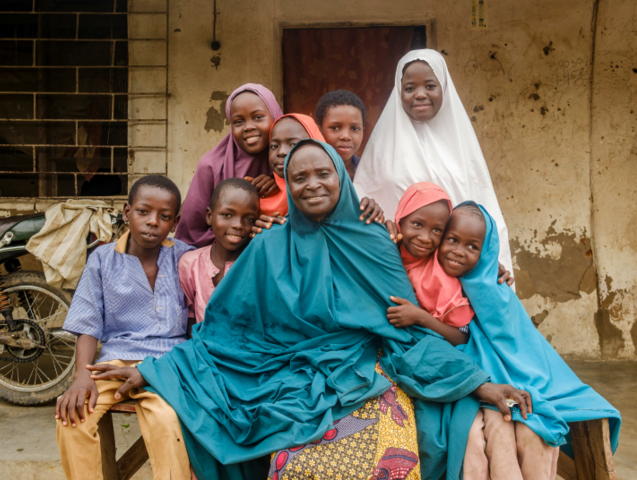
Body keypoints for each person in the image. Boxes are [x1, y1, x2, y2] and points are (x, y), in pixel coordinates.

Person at [88, 139, 532, 480]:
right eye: (299, 178)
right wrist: (152, 371)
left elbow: (405, 330)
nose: (312, 184)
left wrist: (479, 384)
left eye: (323, 173)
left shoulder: (373, 241)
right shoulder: (266, 248)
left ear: (341, 177)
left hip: (360, 372)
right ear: (288, 186)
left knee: (379, 451)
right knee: (290, 456)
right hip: (282, 375)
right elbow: (223, 333)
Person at [398, 199, 622, 479]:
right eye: (452, 240)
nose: (457, 252)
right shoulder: (433, 276)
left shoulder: (495, 287)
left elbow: (515, 346)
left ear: (486, 251)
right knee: (485, 436)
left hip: (507, 379)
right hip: (472, 378)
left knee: (528, 429)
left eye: (472, 247)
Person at [55, 175, 195, 480]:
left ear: (175, 222)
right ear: (126, 211)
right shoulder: (103, 261)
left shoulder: (186, 257)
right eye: (143, 211)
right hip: (114, 363)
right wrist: (81, 376)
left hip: (167, 366)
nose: (152, 222)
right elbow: (88, 324)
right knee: (73, 417)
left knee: (167, 419)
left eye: (164, 216)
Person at [353, 49, 514, 274]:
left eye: (430, 86)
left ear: (444, 89)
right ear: (399, 91)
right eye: (409, 88)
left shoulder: (462, 146)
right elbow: (362, 200)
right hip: (395, 268)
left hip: (453, 274)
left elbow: (484, 210)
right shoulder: (382, 145)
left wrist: (494, 263)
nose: (420, 94)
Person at [175, 83, 283, 248]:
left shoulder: (290, 160)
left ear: (275, 116)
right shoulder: (211, 166)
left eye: (258, 117)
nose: (249, 127)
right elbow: (191, 235)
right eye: (238, 121)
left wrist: (281, 181)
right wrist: (245, 232)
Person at [253, 113, 384, 233]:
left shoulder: (333, 194)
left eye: (293, 145)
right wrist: (255, 229)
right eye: (274, 146)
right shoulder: (260, 195)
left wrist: (370, 212)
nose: (281, 152)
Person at [386, 182, 472, 346]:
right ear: (400, 220)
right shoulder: (386, 248)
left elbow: (462, 338)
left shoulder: (443, 275)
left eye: (437, 230)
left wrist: (421, 318)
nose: (425, 238)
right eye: (417, 224)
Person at [179, 178, 259, 326]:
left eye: (249, 218)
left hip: (249, 346)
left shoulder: (259, 265)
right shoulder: (190, 264)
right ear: (210, 216)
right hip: (203, 346)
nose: (238, 225)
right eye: (227, 215)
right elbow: (189, 318)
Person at [315, 89, 366, 181]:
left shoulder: (369, 172)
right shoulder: (308, 172)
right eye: (335, 128)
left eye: (355, 129)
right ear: (319, 131)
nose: (346, 136)